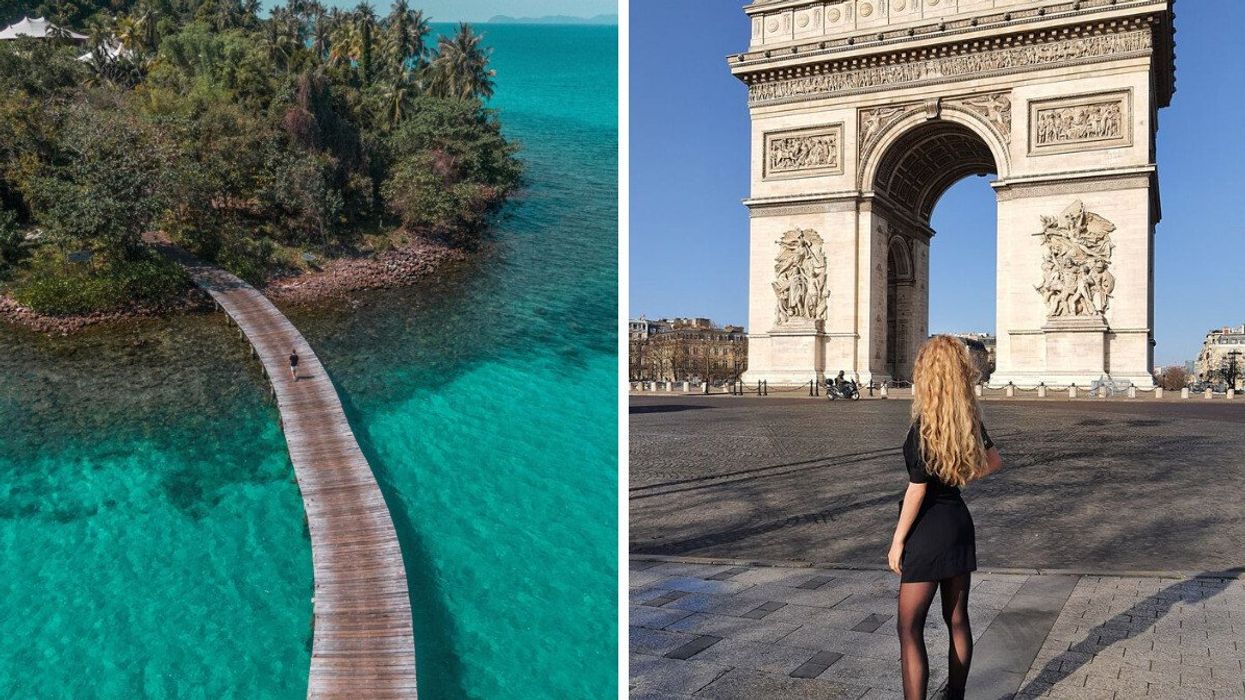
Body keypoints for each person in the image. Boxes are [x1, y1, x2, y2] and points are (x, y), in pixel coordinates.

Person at [888, 335, 1003, 700]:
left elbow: (916, 490)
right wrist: (960, 475)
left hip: (927, 531)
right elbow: (994, 462)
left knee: (909, 628)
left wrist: (897, 541)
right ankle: (955, 697)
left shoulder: (923, 426)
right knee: (957, 620)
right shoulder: (967, 420)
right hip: (958, 525)